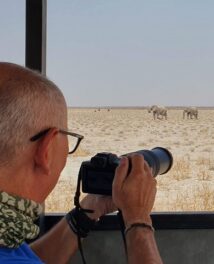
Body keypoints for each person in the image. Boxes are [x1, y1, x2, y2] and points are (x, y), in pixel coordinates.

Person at [0, 62, 162, 263]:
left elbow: (26, 258)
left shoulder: (6, 231)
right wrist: (139, 221)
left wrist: (88, 209)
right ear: (46, 149)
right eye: (67, 135)